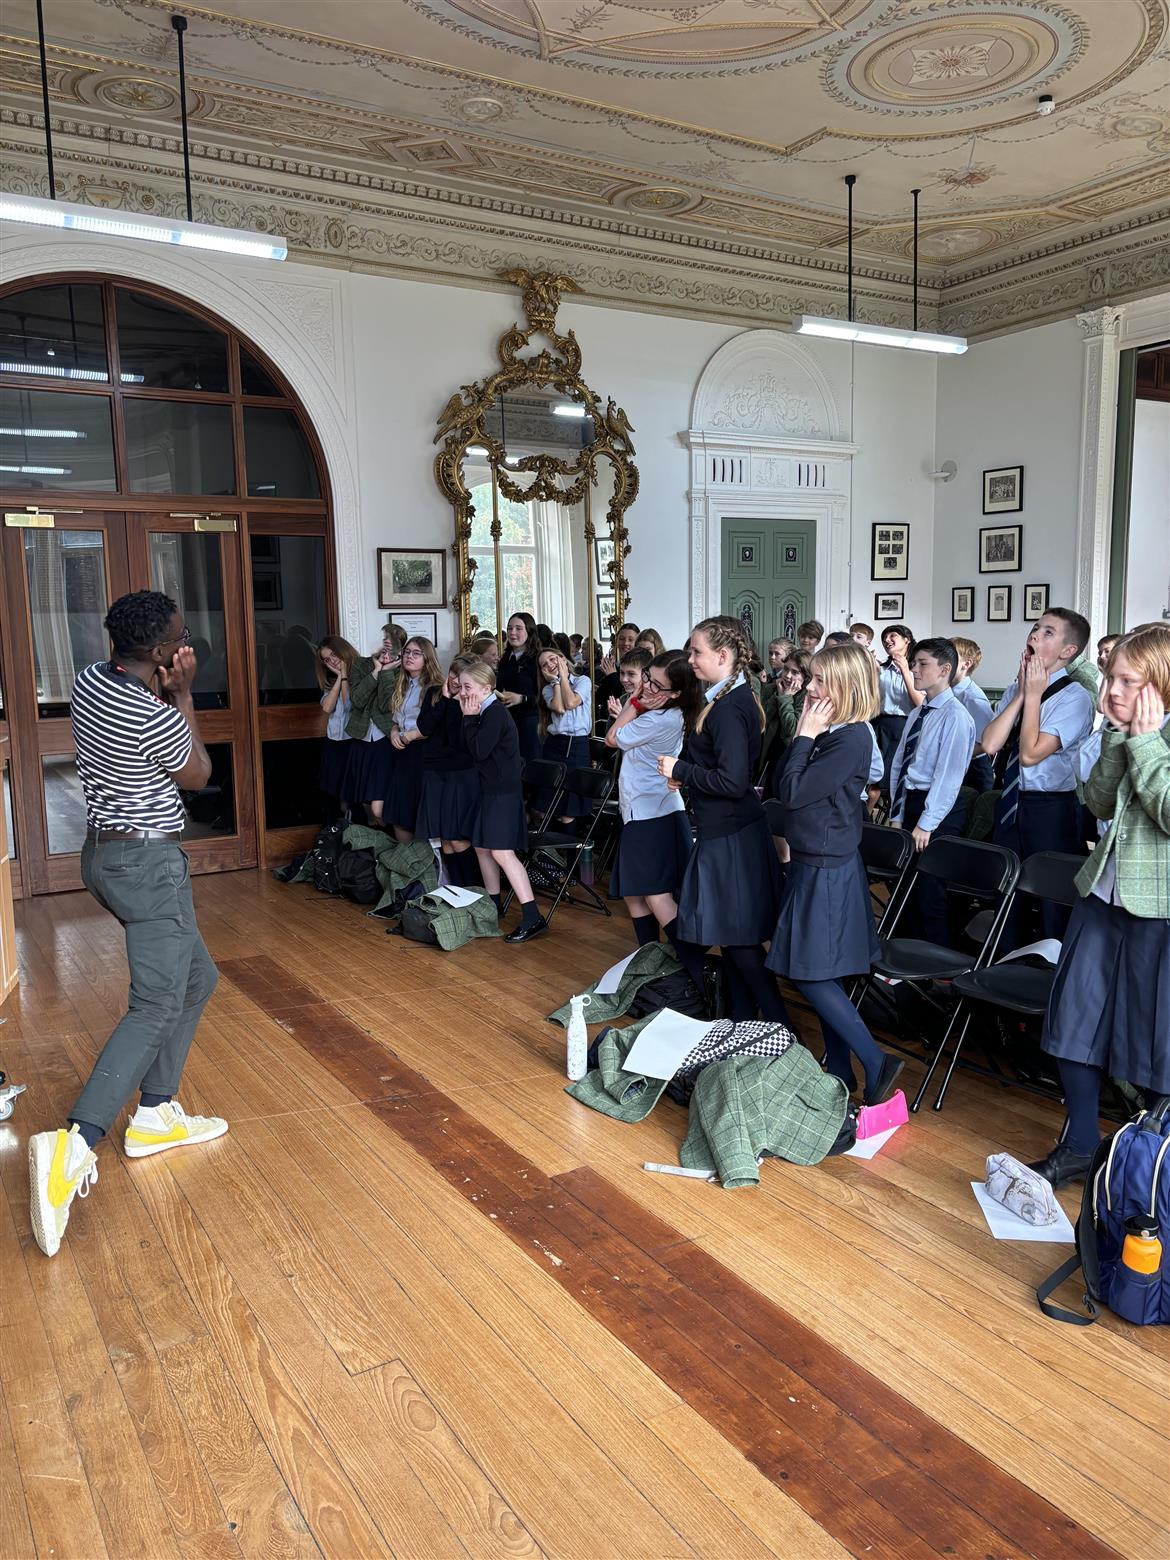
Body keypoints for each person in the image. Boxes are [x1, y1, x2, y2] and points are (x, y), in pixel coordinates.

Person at [29, 591, 226, 1260]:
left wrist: (163, 685)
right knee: (157, 1002)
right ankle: (75, 1145)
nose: (186, 641)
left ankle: (153, 1113)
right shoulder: (154, 713)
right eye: (180, 635)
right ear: (162, 652)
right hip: (147, 864)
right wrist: (186, 694)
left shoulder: (91, 679)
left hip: (103, 855)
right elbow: (199, 774)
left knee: (197, 979)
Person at [1030, 627, 1170, 1186]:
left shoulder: (1153, 736)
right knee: (1073, 1022)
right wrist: (1117, 738)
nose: (1110, 690)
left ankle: (1150, 1163)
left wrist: (1145, 741)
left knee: (1155, 1041)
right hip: (1102, 897)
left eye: (1126, 681)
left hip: (1158, 912)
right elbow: (1098, 801)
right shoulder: (1121, 728)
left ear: (1161, 684)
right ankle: (1081, 1144)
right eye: (1110, 677)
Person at [767, 643, 902, 1105]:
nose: (810, 687)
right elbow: (786, 782)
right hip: (816, 861)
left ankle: (877, 1061)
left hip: (826, 867)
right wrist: (807, 734)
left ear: (846, 685)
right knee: (824, 972)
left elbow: (792, 792)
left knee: (809, 974)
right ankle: (840, 1070)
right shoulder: (833, 732)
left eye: (821, 680)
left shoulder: (850, 738)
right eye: (812, 677)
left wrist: (803, 735)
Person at [658, 616, 787, 1022]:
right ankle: (742, 1021)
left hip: (732, 834)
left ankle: (783, 1027)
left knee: (740, 941)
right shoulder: (724, 696)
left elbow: (733, 781)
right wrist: (688, 772)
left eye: (697, 652)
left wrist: (682, 770)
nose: (690, 660)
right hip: (725, 830)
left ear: (723, 655)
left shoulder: (730, 706)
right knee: (732, 939)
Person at [981, 609, 1095, 939]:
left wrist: (1032, 696)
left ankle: (1049, 964)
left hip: (1051, 808)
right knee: (1007, 892)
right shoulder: (1016, 689)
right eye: (1035, 628)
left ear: (1067, 650)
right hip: (1011, 803)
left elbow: (1030, 755)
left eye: (1048, 633)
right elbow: (991, 743)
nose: (1034, 635)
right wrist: (1021, 693)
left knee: (1051, 901)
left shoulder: (1075, 697)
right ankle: (1003, 962)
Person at [606, 651, 700, 946]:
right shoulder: (663, 713)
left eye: (657, 685)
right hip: (644, 809)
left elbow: (612, 738)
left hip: (652, 813)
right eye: (648, 677)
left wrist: (634, 702)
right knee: (634, 893)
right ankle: (649, 954)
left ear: (676, 693)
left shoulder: (661, 719)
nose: (647, 686)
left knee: (656, 895)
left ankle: (691, 962)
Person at [887, 638, 977, 945]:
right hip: (911, 802)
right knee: (905, 886)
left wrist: (927, 823)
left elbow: (948, 777)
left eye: (922, 663)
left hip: (937, 809)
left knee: (929, 889)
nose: (914, 669)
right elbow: (900, 766)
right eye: (913, 663)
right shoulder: (918, 713)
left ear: (944, 669)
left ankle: (935, 959)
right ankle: (901, 951)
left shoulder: (955, 716)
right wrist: (897, 813)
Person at [458, 658, 548, 943]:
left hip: (501, 793)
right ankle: (493, 905)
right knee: (482, 847)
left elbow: (479, 751)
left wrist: (468, 718)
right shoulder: (485, 711)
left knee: (501, 852)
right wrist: (469, 718)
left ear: (486, 689)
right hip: (491, 790)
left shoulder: (494, 713)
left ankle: (533, 916)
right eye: (461, 686)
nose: (462, 692)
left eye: (467, 687)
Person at [416, 653, 481, 883]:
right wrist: (444, 700)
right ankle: (457, 888)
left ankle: (474, 887)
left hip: (460, 773)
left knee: (457, 838)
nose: (454, 680)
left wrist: (454, 703)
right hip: (434, 771)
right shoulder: (434, 693)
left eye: (460, 677)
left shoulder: (471, 703)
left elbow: (458, 741)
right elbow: (424, 728)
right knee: (444, 838)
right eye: (452, 673)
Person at [383, 637, 442, 841]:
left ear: (427, 658)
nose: (409, 656)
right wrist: (393, 732)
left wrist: (408, 736)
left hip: (423, 752)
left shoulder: (435, 688)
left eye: (416, 653)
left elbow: (434, 726)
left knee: (420, 813)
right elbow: (396, 720)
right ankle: (407, 858)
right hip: (402, 751)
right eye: (407, 652)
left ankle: (426, 858)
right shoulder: (402, 684)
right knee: (399, 813)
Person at [347, 624, 404, 825]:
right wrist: (376, 671)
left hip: (386, 739)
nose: (386, 644)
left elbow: (386, 705)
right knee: (362, 801)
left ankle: (388, 840)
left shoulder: (401, 670)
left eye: (392, 641)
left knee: (379, 805)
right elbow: (357, 700)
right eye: (384, 639)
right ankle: (373, 841)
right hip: (361, 737)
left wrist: (386, 672)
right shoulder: (360, 665)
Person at [537, 648, 592, 826]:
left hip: (577, 745)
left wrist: (563, 676)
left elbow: (571, 702)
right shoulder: (548, 689)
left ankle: (569, 843)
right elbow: (560, 708)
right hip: (555, 744)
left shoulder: (583, 681)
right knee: (546, 807)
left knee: (570, 809)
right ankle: (546, 842)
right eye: (544, 665)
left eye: (552, 659)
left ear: (562, 658)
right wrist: (556, 682)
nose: (549, 665)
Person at [874, 624, 924, 792]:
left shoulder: (918, 670)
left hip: (905, 724)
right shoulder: (881, 670)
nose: (887, 640)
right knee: (876, 774)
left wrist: (904, 670)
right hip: (880, 724)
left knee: (893, 774)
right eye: (884, 638)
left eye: (892, 636)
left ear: (907, 640)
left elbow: (919, 703)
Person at [316, 635, 358, 822]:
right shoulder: (330, 680)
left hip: (353, 742)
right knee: (335, 793)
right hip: (334, 742)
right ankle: (339, 830)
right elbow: (327, 707)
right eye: (326, 659)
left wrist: (345, 675)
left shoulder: (361, 673)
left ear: (343, 650)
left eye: (333, 654)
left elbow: (348, 704)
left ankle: (356, 830)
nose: (331, 661)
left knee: (351, 793)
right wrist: (340, 676)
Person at [951, 636, 995, 792]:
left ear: (966, 664)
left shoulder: (974, 699)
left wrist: (951, 756)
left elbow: (985, 744)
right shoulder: (945, 692)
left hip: (974, 770)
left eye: (949, 656)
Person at [496, 612, 541, 760]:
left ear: (529, 631)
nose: (512, 632)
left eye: (518, 628)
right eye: (509, 628)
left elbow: (547, 697)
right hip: (507, 721)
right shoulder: (505, 659)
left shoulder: (538, 659)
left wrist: (522, 698)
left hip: (531, 724)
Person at [596, 622, 641, 716]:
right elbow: (600, 698)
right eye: (621, 639)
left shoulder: (642, 667)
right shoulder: (613, 665)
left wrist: (612, 676)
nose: (625, 643)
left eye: (630, 640)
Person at [605, 647, 652, 723]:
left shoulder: (651, 704)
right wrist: (613, 718)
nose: (624, 679)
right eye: (622, 673)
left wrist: (622, 719)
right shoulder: (623, 700)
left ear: (646, 675)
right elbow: (609, 730)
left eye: (631, 674)